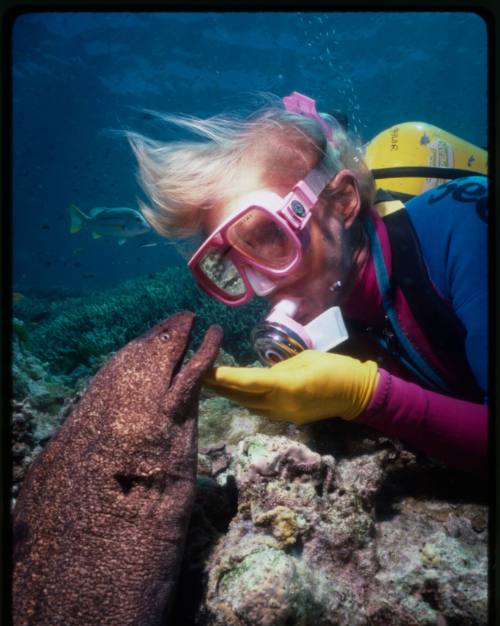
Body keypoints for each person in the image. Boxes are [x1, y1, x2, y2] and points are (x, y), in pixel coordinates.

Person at [128, 92, 488, 475]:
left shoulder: (470, 228)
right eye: (228, 265)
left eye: (269, 233)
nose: (261, 286)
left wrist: (367, 396)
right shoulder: (335, 331)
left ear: (344, 201)